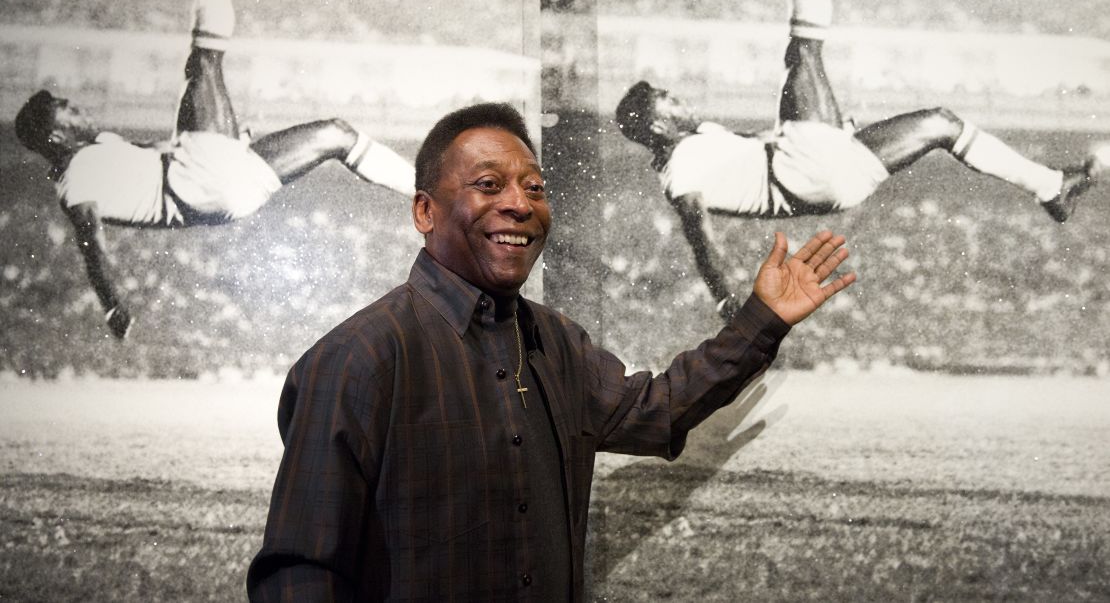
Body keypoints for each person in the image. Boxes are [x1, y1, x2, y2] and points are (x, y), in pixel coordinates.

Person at [246, 101, 856, 601]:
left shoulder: (557, 343)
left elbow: (660, 409)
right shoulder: (357, 360)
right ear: (424, 211)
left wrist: (762, 321)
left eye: (534, 187)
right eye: (488, 185)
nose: (519, 203)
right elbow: (300, 575)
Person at [614, 0, 1107, 319]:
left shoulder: (701, 142)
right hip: (803, 172)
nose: (678, 97)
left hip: (831, 177)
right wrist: (726, 299)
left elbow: (746, 157)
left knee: (942, 123)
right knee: (803, 50)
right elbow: (698, 232)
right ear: (657, 123)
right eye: (668, 98)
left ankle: (1052, 187)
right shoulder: (681, 168)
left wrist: (820, 131)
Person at [14, 0, 415, 340]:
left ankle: (429, 191)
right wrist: (112, 300)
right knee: (204, 61)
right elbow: (91, 244)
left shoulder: (99, 153)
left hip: (225, 193)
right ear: (55, 136)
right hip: (197, 182)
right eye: (66, 110)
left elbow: (150, 163)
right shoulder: (77, 179)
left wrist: (224, 142)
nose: (77, 109)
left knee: (337, 133)